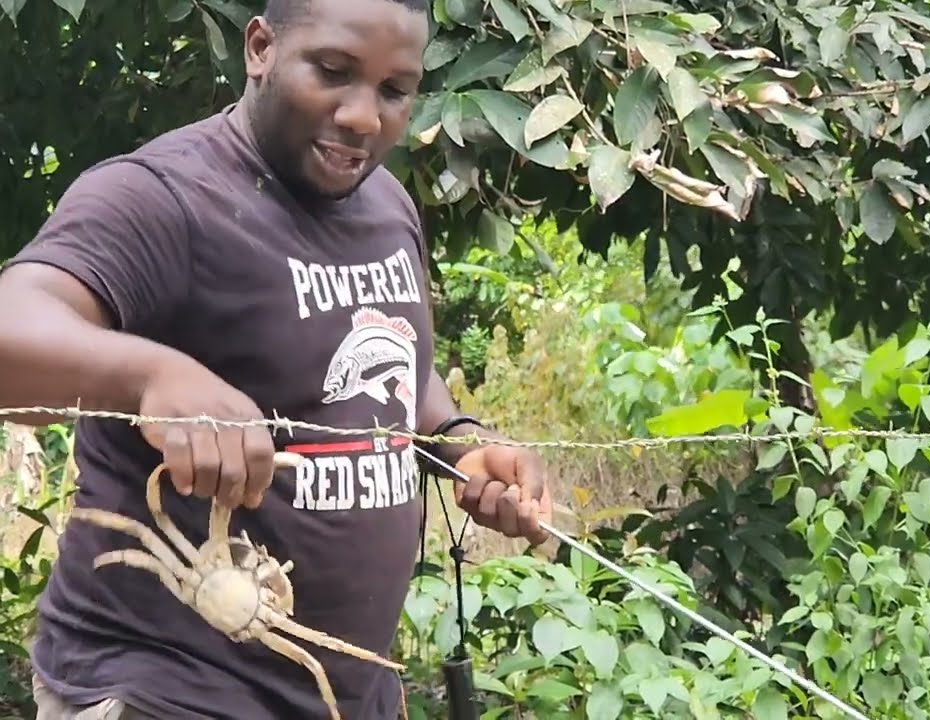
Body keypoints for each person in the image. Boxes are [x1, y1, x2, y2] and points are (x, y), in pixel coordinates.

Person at [0, 0, 555, 717]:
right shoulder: (160, 198)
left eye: (394, 91)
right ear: (260, 47)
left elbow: (391, 374)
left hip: (344, 695)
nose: (363, 116)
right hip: (166, 692)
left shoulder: (384, 202)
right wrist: (155, 375)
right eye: (333, 71)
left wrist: (459, 443)